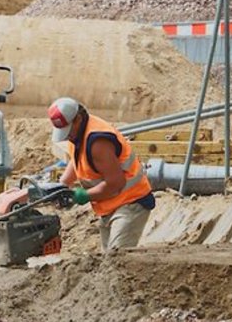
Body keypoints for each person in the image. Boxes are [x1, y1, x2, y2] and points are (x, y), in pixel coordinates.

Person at [46, 96, 155, 252]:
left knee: (117, 258)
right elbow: (77, 159)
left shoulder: (98, 142)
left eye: (68, 131)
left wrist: (82, 196)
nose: (67, 135)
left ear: (78, 119)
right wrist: (62, 184)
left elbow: (115, 183)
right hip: (110, 204)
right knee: (108, 259)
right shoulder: (78, 133)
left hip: (130, 202)